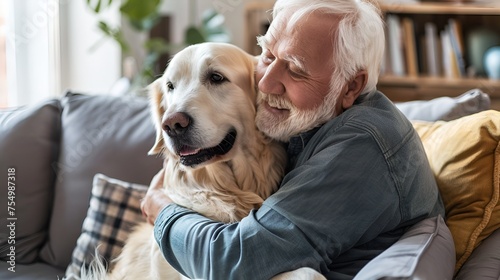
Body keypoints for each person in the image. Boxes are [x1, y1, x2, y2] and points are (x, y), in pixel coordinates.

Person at [141, 0, 445, 279]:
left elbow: (237, 259)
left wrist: (163, 210)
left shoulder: (361, 145)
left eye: (296, 69)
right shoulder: (301, 124)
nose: (266, 82)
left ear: (351, 86)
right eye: (268, 54)